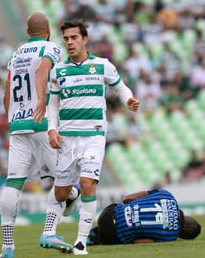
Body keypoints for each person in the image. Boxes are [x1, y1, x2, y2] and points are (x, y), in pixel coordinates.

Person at [38, 20, 140, 255]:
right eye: (66, 39)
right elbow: (52, 105)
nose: (69, 42)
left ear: (85, 39)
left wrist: (129, 100)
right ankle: (70, 196)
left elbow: (121, 88)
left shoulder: (102, 66)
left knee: (88, 184)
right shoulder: (58, 71)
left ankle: (81, 242)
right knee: (61, 193)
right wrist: (51, 129)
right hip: (67, 139)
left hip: (93, 136)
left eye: (74, 38)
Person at [0, 12, 80, 258]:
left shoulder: (15, 56)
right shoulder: (51, 48)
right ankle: (48, 231)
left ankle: (7, 248)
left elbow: (6, 95)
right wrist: (42, 101)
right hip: (41, 122)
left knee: (13, 185)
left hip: (17, 126)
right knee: (63, 180)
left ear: (27, 31)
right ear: (47, 30)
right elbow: (42, 69)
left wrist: (12, 119)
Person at [87, 189, 201, 245]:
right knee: (125, 234)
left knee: (121, 210)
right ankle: (96, 237)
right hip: (111, 235)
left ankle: (96, 232)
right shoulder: (170, 236)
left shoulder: (168, 195)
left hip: (107, 213)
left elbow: (126, 199)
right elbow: (143, 241)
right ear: (184, 231)